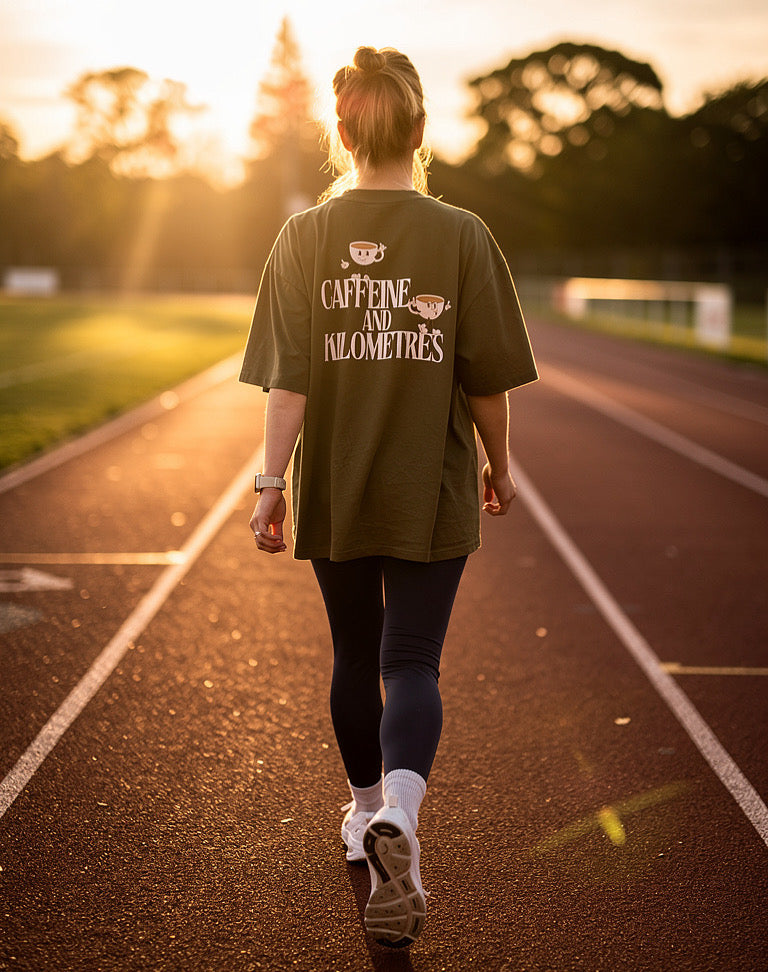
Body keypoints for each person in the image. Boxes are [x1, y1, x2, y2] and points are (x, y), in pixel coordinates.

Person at [240, 45, 537, 948]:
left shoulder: (301, 238)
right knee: (412, 660)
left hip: (335, 482)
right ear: (419, 129)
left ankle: (365, 808)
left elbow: (285, 383)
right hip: (429, 487)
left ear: (343, 131)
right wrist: (500, 464)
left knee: (351, 654)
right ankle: (401, 817)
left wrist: (269, 483)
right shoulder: (462, 233)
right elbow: (487, 378)